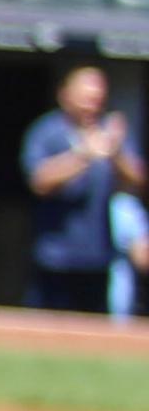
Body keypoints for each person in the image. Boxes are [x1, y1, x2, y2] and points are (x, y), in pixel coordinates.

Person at [21, 62, 144, 315]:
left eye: (97, 97)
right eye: (85, 96)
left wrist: (116, 152)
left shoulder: (110, 133)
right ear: (65, 95)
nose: (92, 102)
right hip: (55, 255)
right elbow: (39, 181)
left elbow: (137, 182)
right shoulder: (48, 131)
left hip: (98, 256)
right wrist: (83, 155)